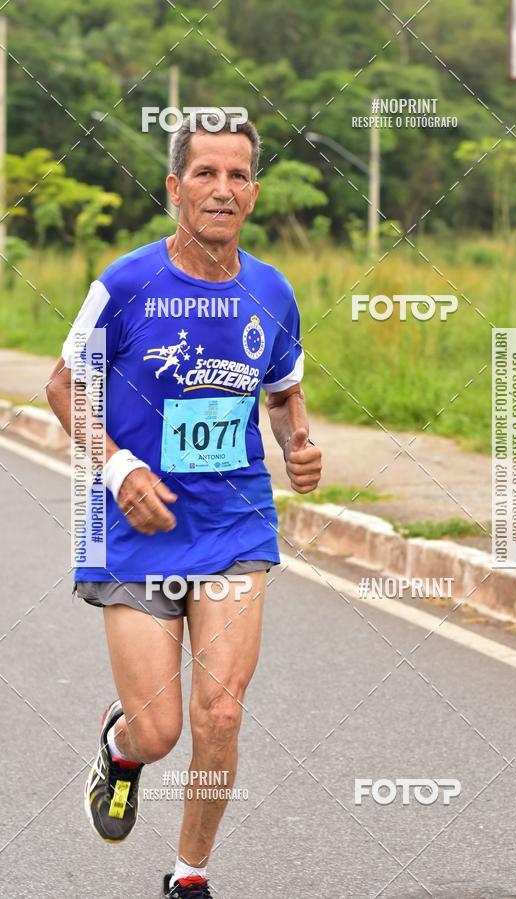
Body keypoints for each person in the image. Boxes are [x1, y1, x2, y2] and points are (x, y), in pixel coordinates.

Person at [46, 110, 322, 898]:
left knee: (222, 715)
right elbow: (66, 386)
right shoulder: (127, 284)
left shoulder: (272, 290)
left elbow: (283, 389)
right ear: (174, 187)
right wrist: (117, 468)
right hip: (135, 526)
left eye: (238, 175)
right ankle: (124, 749)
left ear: (254, 192)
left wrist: (297, 444)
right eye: (206, 172)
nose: (223, 189)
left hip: (234, 525)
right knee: (162, 728)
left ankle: (190, 872)